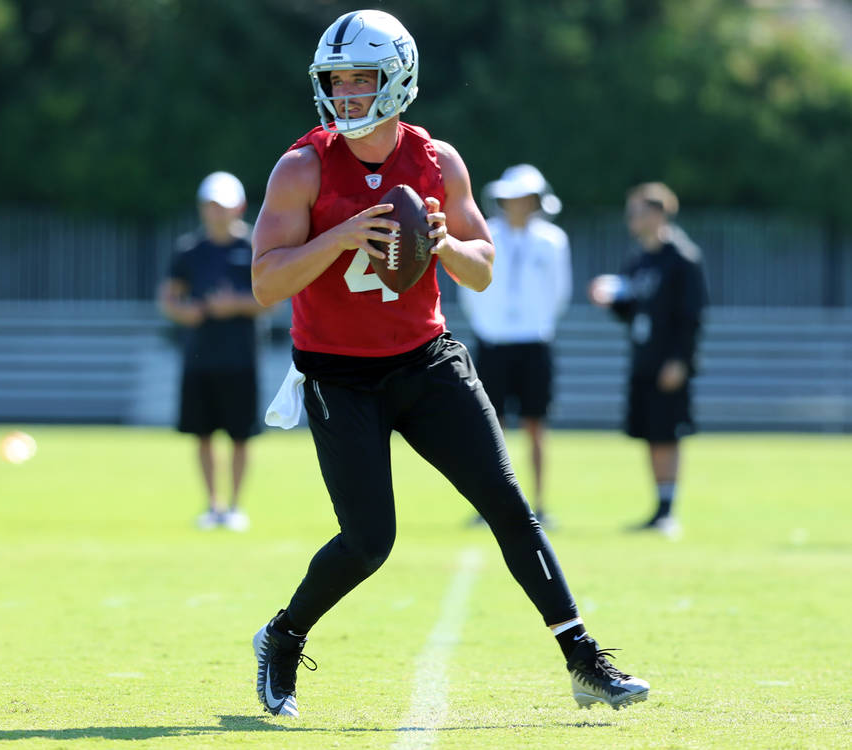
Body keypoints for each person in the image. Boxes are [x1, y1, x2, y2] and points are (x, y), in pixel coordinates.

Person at [249, 9, 648, 718]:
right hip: (338, 375)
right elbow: (265, 282)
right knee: (369, 542)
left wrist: (442, 245)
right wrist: (342, 234)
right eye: (335, 82)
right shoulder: (302, 166)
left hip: (426, 363)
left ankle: (583, 659)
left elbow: (483, 268)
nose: (344, 95)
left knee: (511, 508)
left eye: (359, 80)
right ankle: (283, 636)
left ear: (396, 79)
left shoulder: (436, 161)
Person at [588, 182, 707, 538]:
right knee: (651, 434)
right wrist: (610, 300)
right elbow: (633, 309)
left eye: (637, 211)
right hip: (643, 358)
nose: (632, 219)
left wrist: (681, 361)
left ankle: (668, 510)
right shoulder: (639, 259)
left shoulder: (683, 258)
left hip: (668, 362)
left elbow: (692, 316)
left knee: (668, 435)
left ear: (656, 214)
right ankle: (658, 508)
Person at [459, 164, 571, 529]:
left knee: (536, 424)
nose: (516, 204)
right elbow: (469, 286)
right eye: (511, 198)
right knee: (491, 426)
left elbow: (559, 293)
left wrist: (534, 324)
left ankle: (538, 503)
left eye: (523, 198)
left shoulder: (552, 240)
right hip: (493, 341)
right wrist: (489, 325)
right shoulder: (487, 234)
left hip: (534, 343)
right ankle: (492, 503)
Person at [158, 171, 265, 532]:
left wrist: (236, 305)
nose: (215, 213)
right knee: (202, 434)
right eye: (210, 206)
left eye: (222, 205)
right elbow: (169, 296)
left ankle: (235, 507)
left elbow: (273, 297)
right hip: (199, 357)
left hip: (241, 358)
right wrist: (183, 311)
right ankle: (212, 505)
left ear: (238, 206)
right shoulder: (189, 250)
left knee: (239, 436)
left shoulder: (254, 245)